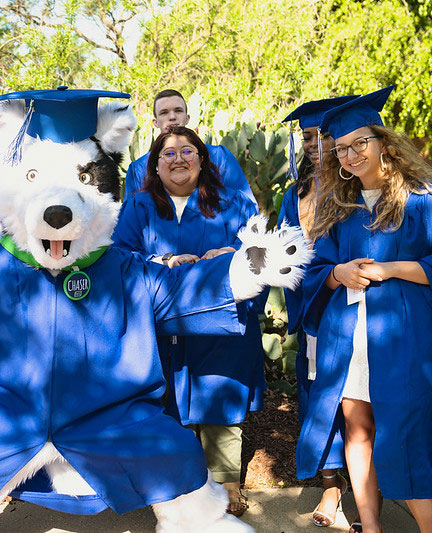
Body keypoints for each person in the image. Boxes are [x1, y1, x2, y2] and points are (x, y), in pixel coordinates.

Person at [298, 85, 432, 533]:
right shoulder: (338, 208)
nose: (350, 156)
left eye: (359, 143)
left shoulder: (420, 200)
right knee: (357, 431)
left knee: (408, 436)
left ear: (383, 142)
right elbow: (316, 268)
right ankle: (371, 527)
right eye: (341, 149)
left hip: (403, 339)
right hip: (349, 336)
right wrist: (339, 274)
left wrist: (391, 268)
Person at [113, 125, 264, 517]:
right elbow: (119, 260)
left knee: (219, 400)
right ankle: (178, 493)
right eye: (168, 153)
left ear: (201, 159)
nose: (178, 158)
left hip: (220, 328)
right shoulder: (138, 207)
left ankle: (228, 486)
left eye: (187, 151)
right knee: (166, 409)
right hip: (163, 331)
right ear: (156, 165)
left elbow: (261, 253)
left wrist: (230, 256)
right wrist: (161, 263)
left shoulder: (233, 205)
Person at [279, 95, 357, 527]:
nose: (313, 144)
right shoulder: (297, 194)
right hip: (318, 308)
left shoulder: (358, 189)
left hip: (359, 304)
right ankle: (331, 489)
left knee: (362, 399)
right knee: (321, 397)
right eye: (307, 136)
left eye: (322, 136)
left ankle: (367, 491)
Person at [124, 89, 254, 203]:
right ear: (155, 122)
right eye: (164, 113)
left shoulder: (220, 157)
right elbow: (130, 219)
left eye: (178, 111)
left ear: (187, 118)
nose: (172, 117)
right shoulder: (138, 170)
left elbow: (245, 205)